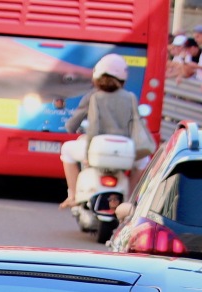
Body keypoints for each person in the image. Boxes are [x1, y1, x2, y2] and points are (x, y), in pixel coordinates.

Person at [58, 53, 148, 209]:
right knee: (143, 161)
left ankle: (72, 195)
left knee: (67, 150)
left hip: (96, 149)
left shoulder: (92, 96)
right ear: (123, 79)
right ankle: (130, 200)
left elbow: (72, 126)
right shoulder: (131, 97)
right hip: (124, 149)